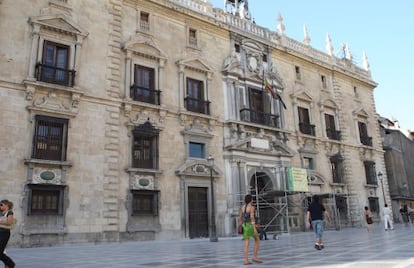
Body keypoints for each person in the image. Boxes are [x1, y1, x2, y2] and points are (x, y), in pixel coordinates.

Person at [239, 194, 262, 265]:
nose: (253, 200)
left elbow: (240, 218)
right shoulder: (251, 207)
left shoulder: (242, 207)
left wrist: (241, 225)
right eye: (252, 199)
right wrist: (254, 228)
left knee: (246, 243)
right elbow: (252, 218)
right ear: (251, 200)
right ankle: (255, 257)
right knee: (257, 240)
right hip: (250, 226)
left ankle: (246, 260)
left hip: (244, 225)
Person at [0, 199, 15, 268]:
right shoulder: (1, 212)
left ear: (6, 205)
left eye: (1, 205)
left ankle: (10, 264)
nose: (0, 206)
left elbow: (9, 222)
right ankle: (9, 264)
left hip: (4, 233)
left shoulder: (9, 212)